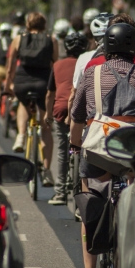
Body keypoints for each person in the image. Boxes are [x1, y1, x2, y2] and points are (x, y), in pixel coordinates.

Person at [70, 23, 135, 268]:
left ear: (106, 46)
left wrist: (76, 144)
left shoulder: (92, 73)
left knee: (90, 202)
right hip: (133, 151)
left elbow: (77, 115)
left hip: (98, 149)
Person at [5, 12, 59, 186]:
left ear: (28, 24)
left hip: (22, 81)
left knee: (22, 102)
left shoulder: (19, 39)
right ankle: (47, 171)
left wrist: (8, 86)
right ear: (44, 25)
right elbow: (55, 65)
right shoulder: (52, 40)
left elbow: (10, 65)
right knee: (45, 128)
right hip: (43, 83)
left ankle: (20, 135)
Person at [44, 32, 88, 205]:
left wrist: (48, 114)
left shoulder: (57, 65)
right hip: (83, 110)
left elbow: (50, 93)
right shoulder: (88, 63)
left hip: (62, 110)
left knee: (63, 151)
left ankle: (60, 193)